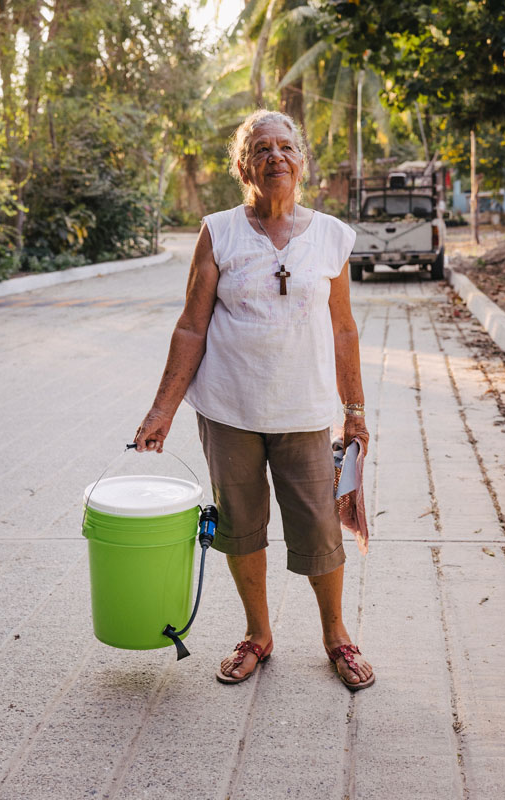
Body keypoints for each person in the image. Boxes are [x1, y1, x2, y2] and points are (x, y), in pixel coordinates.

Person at [135, 109, 374, 691]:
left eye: (286, 147)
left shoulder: (332, 235)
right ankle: (258, 634)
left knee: (319, 528)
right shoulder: (219, 230)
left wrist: (356, 410)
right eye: (261, 149)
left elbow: (344, 329)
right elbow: (192, 325)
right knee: (240, 526)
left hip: (306, 412)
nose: (275, 157)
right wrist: (162, 408)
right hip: (229, 411)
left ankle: (336, 636)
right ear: (244, 166)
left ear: (301, 162)